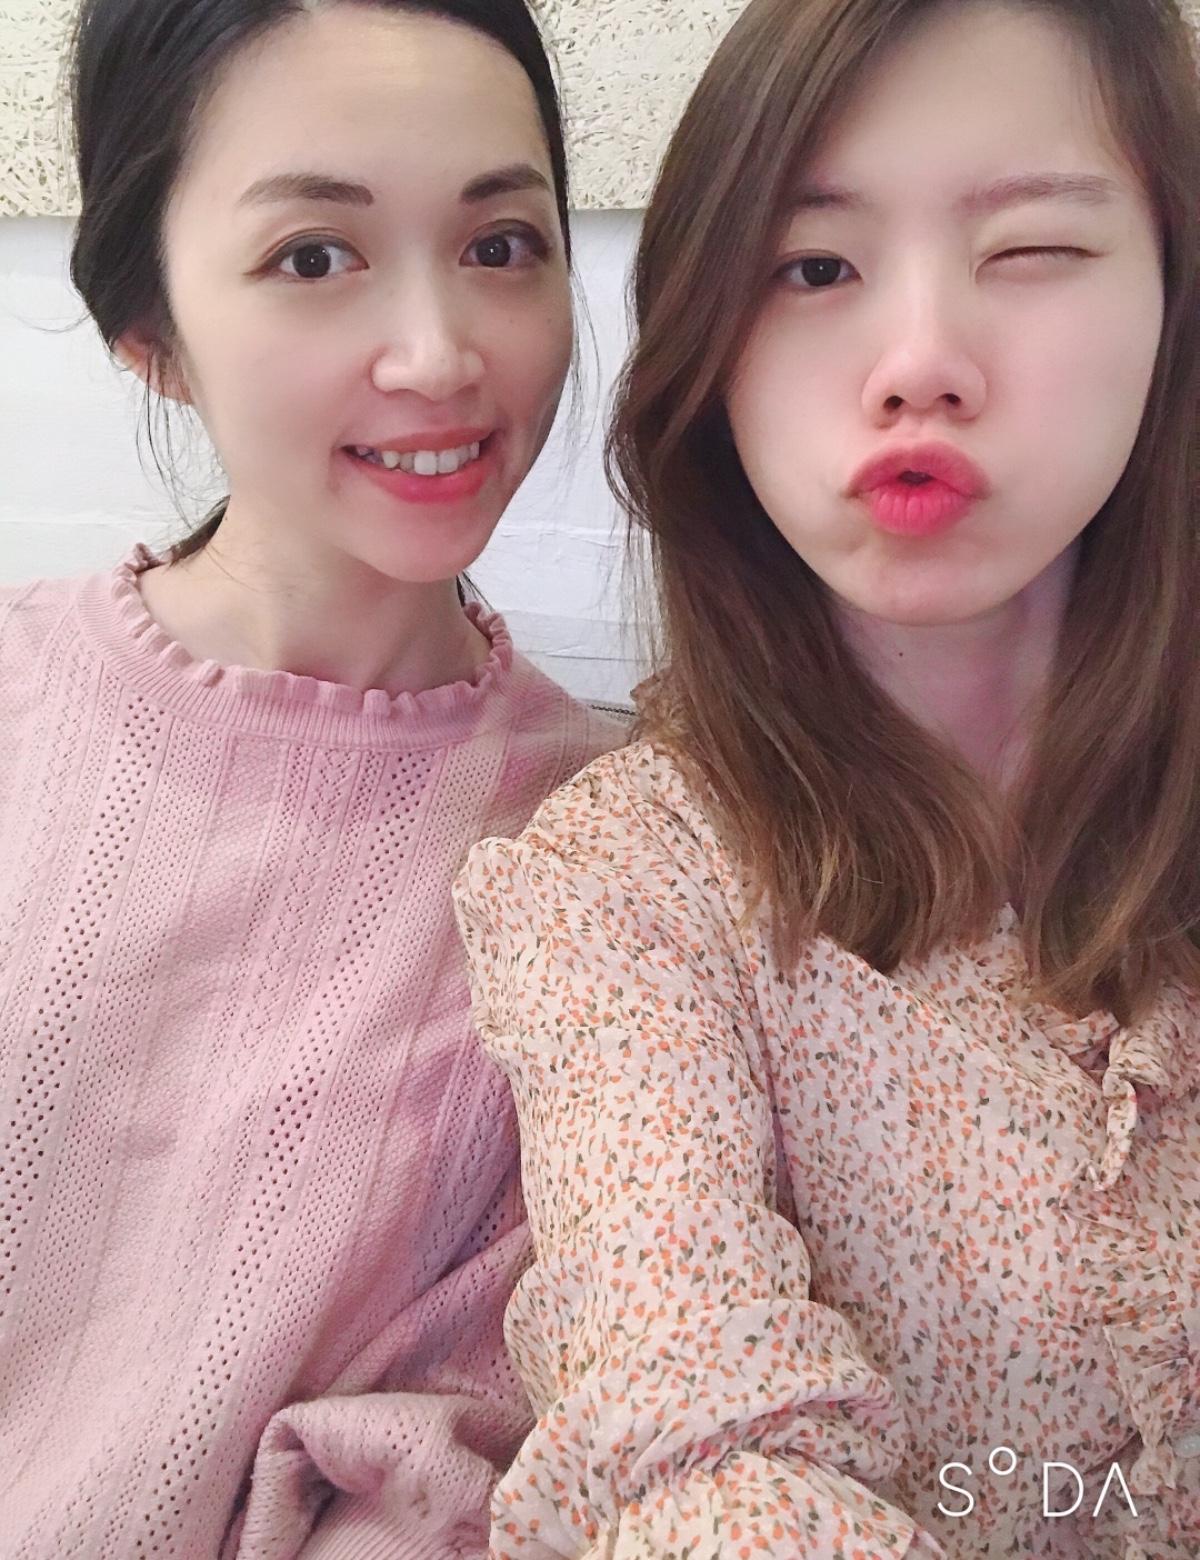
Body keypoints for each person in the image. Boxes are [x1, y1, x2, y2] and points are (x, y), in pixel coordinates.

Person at [453, 0, 1200, 1553]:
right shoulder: (628, 885)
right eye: (813, 268)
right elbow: (699, 1447)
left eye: (1032, 250)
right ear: (710, 350)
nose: (919, 363)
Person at [0, 1, 624, 1554]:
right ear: (148, 328)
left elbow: (474, 1449)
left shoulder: (616, 857)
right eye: (314, 256)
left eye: (501, 245)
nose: (441, 353)